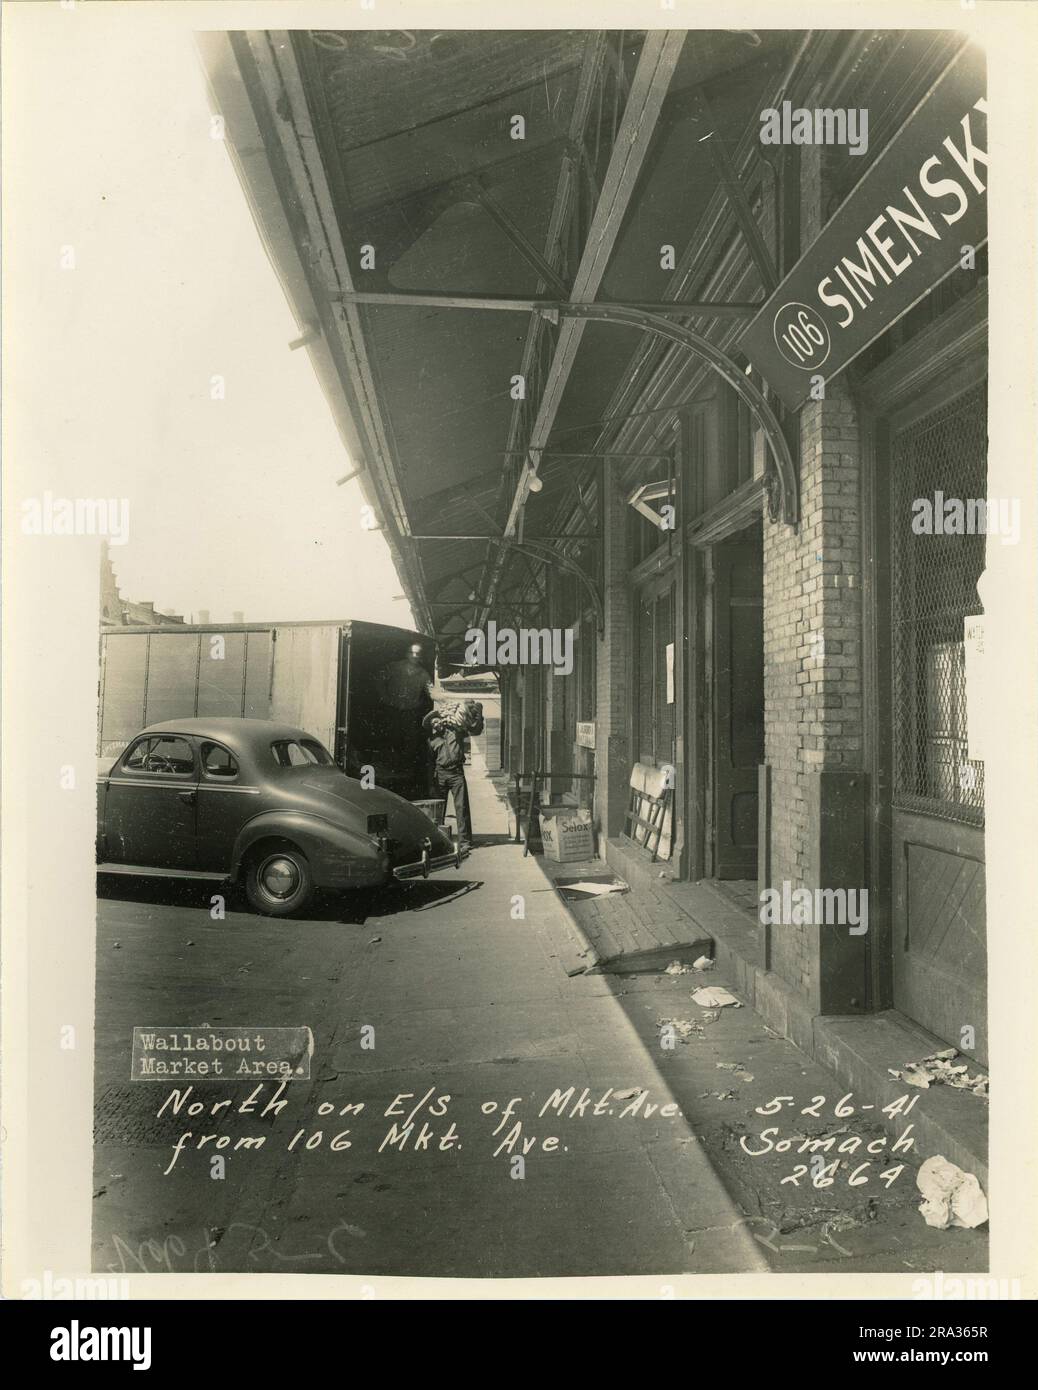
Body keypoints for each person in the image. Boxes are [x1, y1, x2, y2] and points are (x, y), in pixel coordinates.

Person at [423, 709, 474, 850]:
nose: (436, 724)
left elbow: (472, 728)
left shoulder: (455, 732)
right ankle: (441, 842)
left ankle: (465, 842)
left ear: (441, 720)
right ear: (432, 727)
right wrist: (431, 784)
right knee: (439, 811)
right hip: (441, 775)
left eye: (436, 720)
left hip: (457, 773)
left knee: (461, 808)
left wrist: (473, 713)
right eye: (433, 724)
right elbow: (430, 764)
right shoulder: (432, 741)